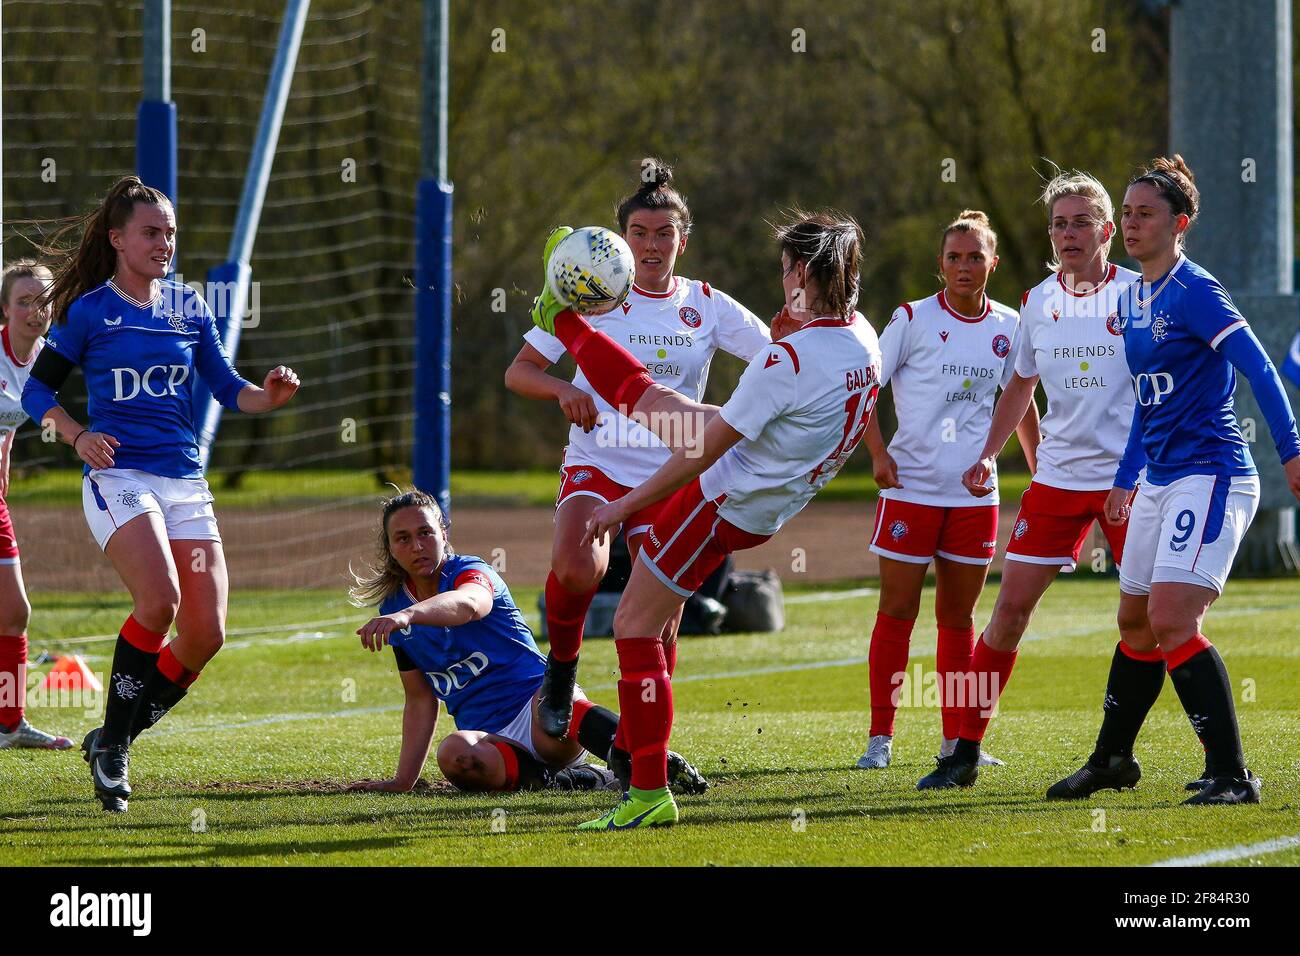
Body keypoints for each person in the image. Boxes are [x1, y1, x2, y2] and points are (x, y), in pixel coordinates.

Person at [530, 210, 882, 829]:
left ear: (802, 272)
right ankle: (642, 765)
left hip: (721, 500)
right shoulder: (863, 338)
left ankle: (646, 790)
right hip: (769, 501)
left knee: (636, 627)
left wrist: (623, 506)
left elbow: (698, 453)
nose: (779, 280)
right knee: (656, 403)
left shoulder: (787, 362)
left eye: (784, 270)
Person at [21, 176, 301, 811]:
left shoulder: (189, 307)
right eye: (151, 232)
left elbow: (230, 389)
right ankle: (115, 754)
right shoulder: (90, 310)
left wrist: (268, 396)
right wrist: (75, 435)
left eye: (170, 232)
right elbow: (38, 391)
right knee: (160, 601)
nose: (164, 242)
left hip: (184, 483)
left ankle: (112, 735)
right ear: (118, 239)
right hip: (119, 477)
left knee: (206, 632)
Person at [504, 159, 770, 743]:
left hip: (671, 477)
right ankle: (562, 670)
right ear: (621, 239)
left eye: (664, 233)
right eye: (640, 233)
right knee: (577, 567)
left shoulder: (707, 304)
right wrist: (564, 387)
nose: (652, 245)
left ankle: (643, 751)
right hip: (597, 463)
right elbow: (519, 372)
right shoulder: (590, 295)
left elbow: (774, 359)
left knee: (659, 623)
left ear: (683, 238)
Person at [916, 171, 1154, 791]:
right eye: (1058, 223)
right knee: (1008, 612)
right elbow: (1019, 384)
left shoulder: (1141, 295)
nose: (1068, 233)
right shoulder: (1037, 301)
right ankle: (962, 751)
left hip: (1130, 481)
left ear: (1108, 231)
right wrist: (990, 453)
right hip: (1057, 480)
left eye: (1080, 222)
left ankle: (1187, 758)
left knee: (1155, 619)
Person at [347, 489, 708, 795]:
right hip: (492, 739)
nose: (417, 545)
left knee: (552, 711)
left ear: (443, 532)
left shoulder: (470, 572)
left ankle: (648, 762)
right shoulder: (393, 605)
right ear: (391, 548)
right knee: (454, 755)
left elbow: (471, 604)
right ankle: (569, 782)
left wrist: (409, 616)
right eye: (403, 538)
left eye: (425, 532)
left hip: (541, 711)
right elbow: (420, 698)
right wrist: (402, 781)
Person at [857, 211, 1037, 771]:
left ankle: (958, 743)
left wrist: (1039, 468)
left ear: (993, 263)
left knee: (959, 621)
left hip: (974, 497)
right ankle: (879, 740)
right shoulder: (910, 318)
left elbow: (1022, 399)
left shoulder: (1011, 325)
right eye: (954, 257)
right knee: (898, 610)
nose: (964, 266)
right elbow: (864, 386)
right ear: (940, 264)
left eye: (975, 256)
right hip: (911, 490)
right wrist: (879, 455)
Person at [0, 261, 73, 750]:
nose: (35, 310)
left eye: (43, 300)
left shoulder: (48, 360)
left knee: (12, 613)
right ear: (4, 309)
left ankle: (9, 725)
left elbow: (10, 418)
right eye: (23, 300)